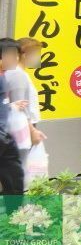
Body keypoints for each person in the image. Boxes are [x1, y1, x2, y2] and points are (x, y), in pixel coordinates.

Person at [4, 38, 47, 174]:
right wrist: (32, 131)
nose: (38, 57)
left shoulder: (19, 73)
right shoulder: (17, 74)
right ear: (24, 54)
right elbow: (20, 106)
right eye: (36, 53)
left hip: (23, 125)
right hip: (22, 126)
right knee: (19, 169)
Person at [0, 38, 25, 198]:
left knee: (14, 176)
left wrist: (10, 106)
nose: (16, 58)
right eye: (12, 54)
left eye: (17, 55)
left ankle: (13, 210)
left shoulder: (3, 75)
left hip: (4, 137)